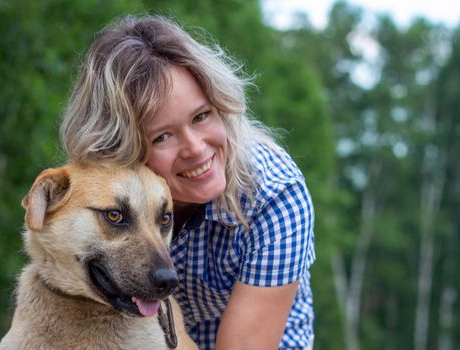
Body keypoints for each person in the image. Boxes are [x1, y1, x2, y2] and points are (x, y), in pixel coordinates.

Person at [59, 15, 316, 350]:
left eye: (201, 116)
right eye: (162, 136)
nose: (196, 149)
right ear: (120, 151)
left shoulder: (274, 195)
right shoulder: (98, 201)